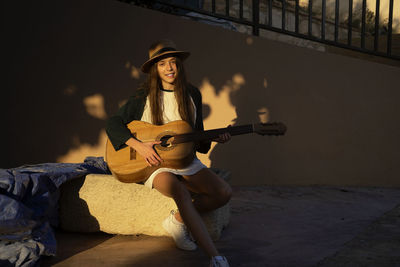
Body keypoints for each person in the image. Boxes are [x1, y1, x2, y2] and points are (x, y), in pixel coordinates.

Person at [106, 39, 232, 267]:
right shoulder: (143, 95)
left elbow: (199, 142)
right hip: (154, 162)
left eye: (173, 62)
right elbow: (113, 124)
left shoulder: (192, 93)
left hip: (185, 159)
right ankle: (216, 257)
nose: (169, 68)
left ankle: (176, 220)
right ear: (155, 68)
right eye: (162, 63)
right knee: (180, 191)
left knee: (223, 193)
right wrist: (139, 145)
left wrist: (214, 139)